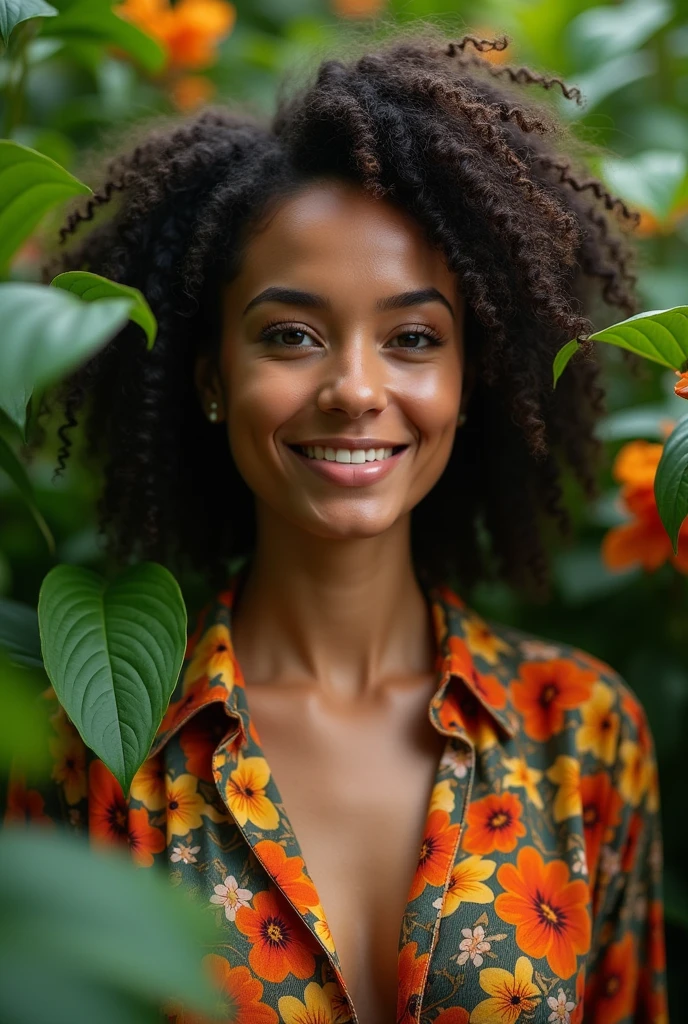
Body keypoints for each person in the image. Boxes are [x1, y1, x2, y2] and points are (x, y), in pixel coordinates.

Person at [6, 28, 666, 1024]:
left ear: (466, 380)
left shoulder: (579, 731)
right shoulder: (81, 752)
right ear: (209, 377)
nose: (355, 389)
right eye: (291, 335)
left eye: (411, 338)